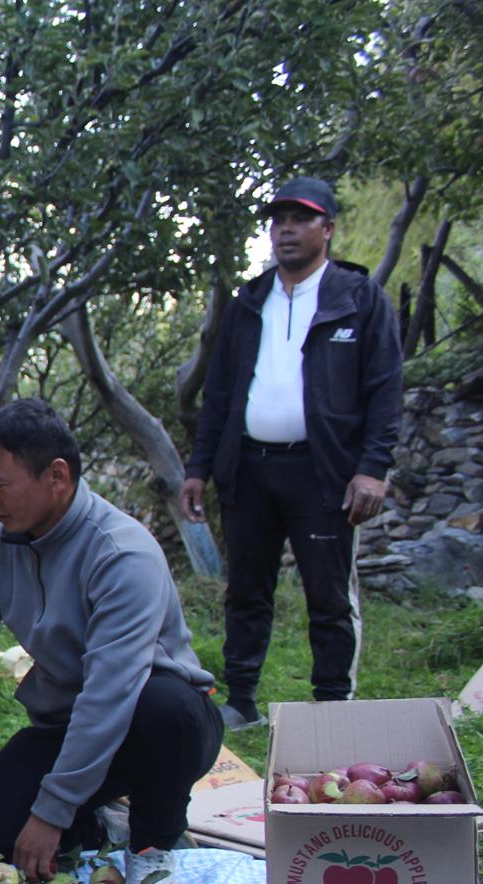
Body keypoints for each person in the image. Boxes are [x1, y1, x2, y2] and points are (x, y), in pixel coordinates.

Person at [0, 400, 222, 884]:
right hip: (72, 726)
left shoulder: (122, 555)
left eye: (0, 485)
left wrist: (51, 812)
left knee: (168, 709)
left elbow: (110, 693)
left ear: (57, 476)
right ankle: (103, 825)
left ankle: (152, 845)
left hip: (152, 725)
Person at [182, 177, 403, 730]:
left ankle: (333, 706)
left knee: (328, 595)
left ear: (328, 229)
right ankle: (242, 701)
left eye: (301, 219)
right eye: (278, 220)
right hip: (249, 468)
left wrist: (372, 469)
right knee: (246, 591)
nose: (286, 229)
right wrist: (199, 468)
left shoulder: (359, 298)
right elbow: (220, 394)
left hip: (323, 471)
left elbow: (385, 389)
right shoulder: (249, 302)